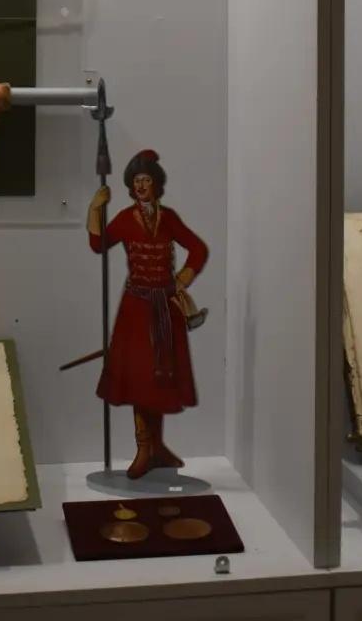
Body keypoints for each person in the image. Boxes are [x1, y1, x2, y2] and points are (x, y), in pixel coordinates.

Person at [86, 149, 209, 479]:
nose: (141, 186)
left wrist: (182, 279)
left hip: (165, 308)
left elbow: (198, 249)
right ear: (131, 186)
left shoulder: (169, 218)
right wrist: (95, 208)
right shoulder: (125, 218)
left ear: (156, 184)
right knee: (141, 377)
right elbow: (98, 245)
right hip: (136, 309)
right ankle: (144, 448)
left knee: (161, 377)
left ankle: (157, 447)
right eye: (136, 181)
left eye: (147, 180)